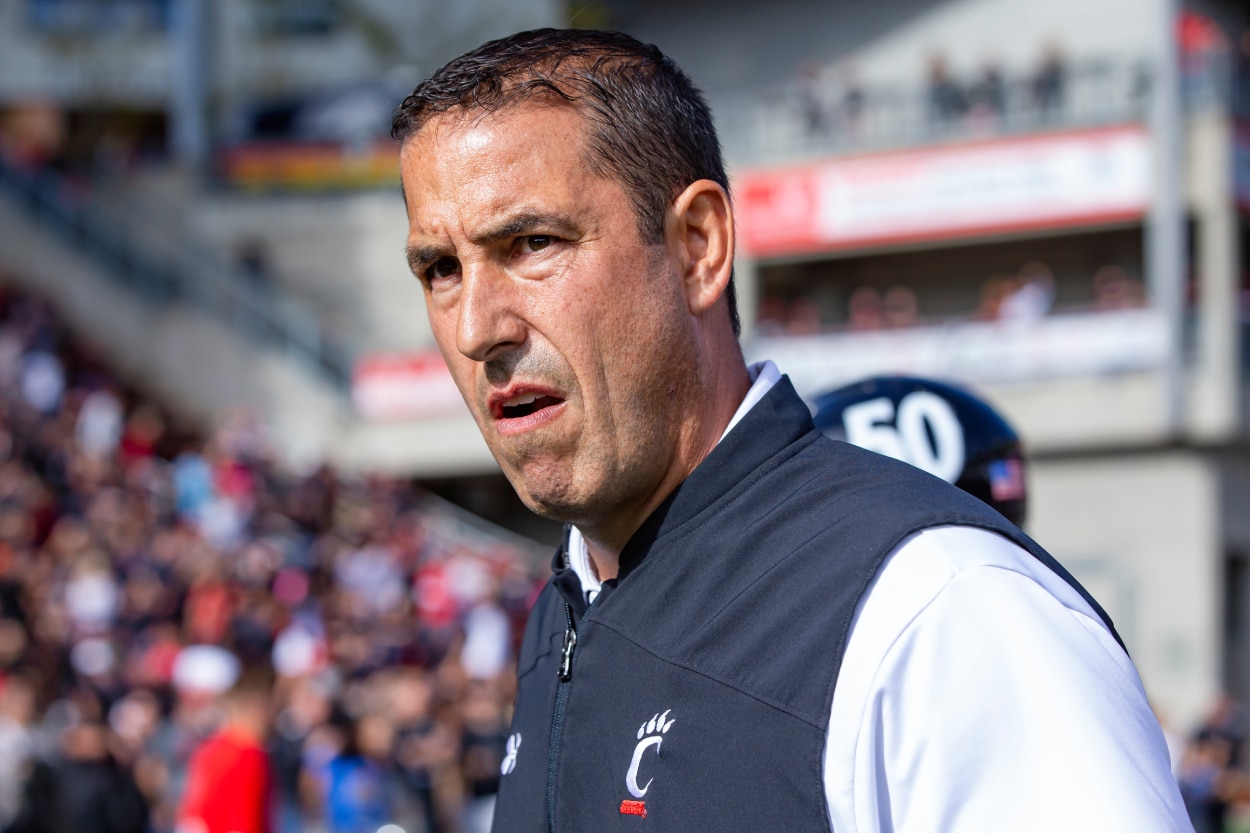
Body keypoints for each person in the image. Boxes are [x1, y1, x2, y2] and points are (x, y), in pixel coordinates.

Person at [391, 28, 1189, 831]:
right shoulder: (563, 606)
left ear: (698, 247)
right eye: (441, 270)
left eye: (532, 244)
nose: (474, 328)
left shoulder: (943, 607)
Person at [177, 664, 275, 833]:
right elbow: (244, 823)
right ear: (257, 709)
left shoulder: (209, 750)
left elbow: (191, 816)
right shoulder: (249, 755)